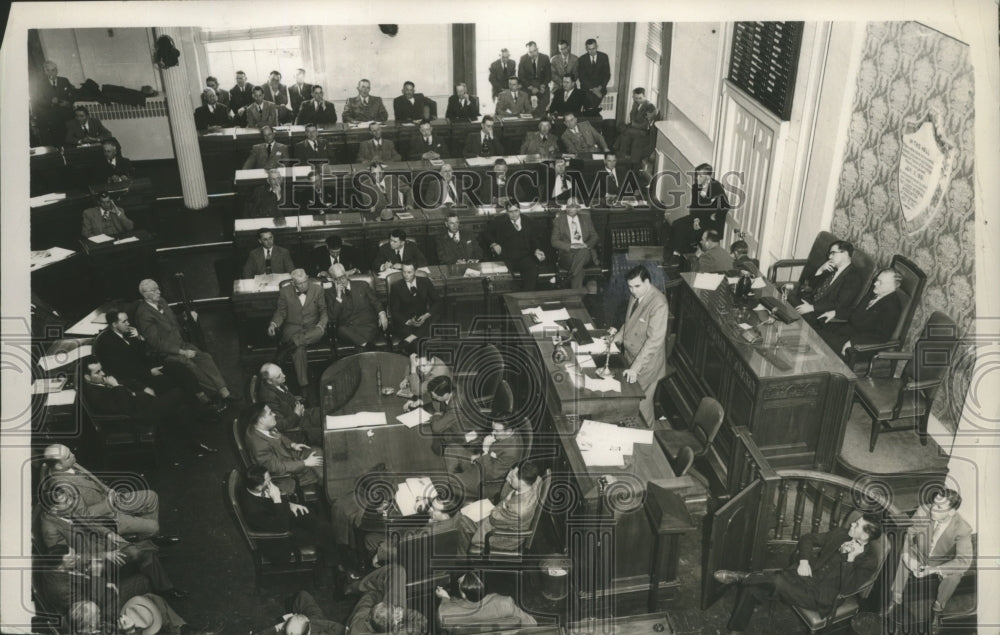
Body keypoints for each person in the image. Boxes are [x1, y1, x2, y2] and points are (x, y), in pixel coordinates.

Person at [714, 513, 884, 634]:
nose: (852, 524)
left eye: (857, 524)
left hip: (820, 596)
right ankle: (736, 629)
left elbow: (847, 588)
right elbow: (808, 538)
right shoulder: (841, 533)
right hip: (805, 576)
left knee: (776, 581)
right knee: (756, 586)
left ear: (865, 534)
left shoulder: (869, 561)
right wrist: (804, 561)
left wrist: (851, 559)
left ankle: (743, 577)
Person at [80, 355, 217, 455]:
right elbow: (126, 409)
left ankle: (194, 443)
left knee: (181, 408)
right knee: (178, 392)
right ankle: (204, 416)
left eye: (101, 369)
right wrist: (116, 386)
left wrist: (144, 387)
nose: (103, 374)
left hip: (146, 404)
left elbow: (129, 381)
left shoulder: (102, 379)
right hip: (140, 416)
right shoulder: (94, 395)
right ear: (87, 377)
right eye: (97, 372)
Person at [40, 444, 177, 544]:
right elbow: (83, 517)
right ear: (58, 466)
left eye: (70, 452)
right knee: (153, 527)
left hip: (108, 498)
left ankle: (146, 538)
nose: (74, 455)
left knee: (151, 497)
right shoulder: (62, 489)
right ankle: (147, 541)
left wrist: (107, 490)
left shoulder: (67, 464)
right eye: (69, 456)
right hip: (104, 516)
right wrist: (109, 503)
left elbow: (92, 478)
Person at [135, 279, 234, 403]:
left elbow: (173, 322)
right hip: (167, 353)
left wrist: (184, 316)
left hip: (182, 344)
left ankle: (224, 392)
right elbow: (156, 342)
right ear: (145, 294)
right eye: (154, 290)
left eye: (158, 288)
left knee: (205, 358)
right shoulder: (143, 314)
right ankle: (215, 394)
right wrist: (182, 352)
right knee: (191, 365)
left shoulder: (162, 302)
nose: (159, 292)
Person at [886, 488, 974, 629]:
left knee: (956, 575)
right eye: (934, 503)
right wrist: (908, 556)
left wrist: (933, 570)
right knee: (902, 556)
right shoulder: (923, 511)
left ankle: (938, 608)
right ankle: (895, 598)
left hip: (940, 561)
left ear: (951, 512)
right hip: (919, 553)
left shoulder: (963, 528)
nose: (933, 509)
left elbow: (964, 561)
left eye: (939, 507)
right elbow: (907, 535)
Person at [238, 465, 343, 577]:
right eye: (268, 481)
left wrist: (289, 504)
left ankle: (333, 556)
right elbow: (281, 528)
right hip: (279, 540)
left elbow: (269, 506)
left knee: (316, 520)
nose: (271, 483)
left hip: (280, 518)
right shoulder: (253, 511)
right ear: (259, 487)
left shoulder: (254, 488)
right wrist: (277, 499)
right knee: (323, 532)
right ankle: (335, 567)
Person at [608, 265, 669, 426]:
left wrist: (635, 368)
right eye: (630, 286)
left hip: (646, 365)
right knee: (631, 401)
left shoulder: (658, 304)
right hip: (630, 357)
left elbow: (654, 342)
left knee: (642, 405)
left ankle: (648, 438)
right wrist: (615, 339)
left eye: (636, 286)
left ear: (647, 282)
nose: (632, 290)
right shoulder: (637, 294)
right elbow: (629, 323)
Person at [39, 544, 150, 622]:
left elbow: (80, 559)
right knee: (142, 580)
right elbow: (93, 607)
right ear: (59, 567)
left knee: (129, 559)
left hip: (94, 586)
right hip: (104, 608)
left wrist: (104, 556)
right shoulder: (61, 589)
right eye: (72, 560)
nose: (77, 557)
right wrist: (98, 577)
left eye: (75, 553)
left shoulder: (52, 564)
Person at [458, 461, 542, 554]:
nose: (507, 477)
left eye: (511, 477)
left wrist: (504, 502)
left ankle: (465, 558)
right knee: (467, 513)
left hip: (503, 537)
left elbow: (493, 518)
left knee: (462, 522)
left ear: (522, 482)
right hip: (506, 520)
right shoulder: (535, 480)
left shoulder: (517, 509)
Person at [817, 269, 904, 357]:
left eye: (880, 282)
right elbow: (856, 312)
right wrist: (836, 313)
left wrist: (854, 342)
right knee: (817, 332)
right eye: (877, 280)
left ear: (893, 286)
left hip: (862, 346)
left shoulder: (893, 307)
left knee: (821, 343)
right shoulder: (874, 292)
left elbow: (881, 337)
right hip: (849, 331)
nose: (875, 283)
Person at [268, 269, 328, 392]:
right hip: (293, 329)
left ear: (307, 278)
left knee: (320, 331)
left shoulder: (318, 289)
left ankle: (289, 346)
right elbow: (281, 312)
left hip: (312, 330)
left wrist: (321, 324)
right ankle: (304, 386)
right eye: (299, 284)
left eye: (305, 282)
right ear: (293, 283)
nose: (303, 285)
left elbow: (323, 311)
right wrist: (273, 324)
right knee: (298, 350)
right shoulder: (285, 292)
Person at [244, 403, 324, 493]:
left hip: (289, 456)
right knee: (324, 472)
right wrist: (305, 463)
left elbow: (278, 435)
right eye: (270, 413)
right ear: (261, 420)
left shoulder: (261, 427)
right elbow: (277, 468)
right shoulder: (258, 445)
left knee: (318, 453)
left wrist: (292, 444)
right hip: (287, 474)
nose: (274, 414)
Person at [445, 419, 525, 502]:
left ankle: (458, 485)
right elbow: (492, 452)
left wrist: (485, 449)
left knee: (452, 480)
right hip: (481, 462)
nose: (493, 433)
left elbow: (492, 474)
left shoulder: (512, 452)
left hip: (486, 477)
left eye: (497, 431)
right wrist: (479, 455)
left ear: (508, 431)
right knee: (451, 448)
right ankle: (458, 481)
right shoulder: (506, 433)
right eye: (493, 429)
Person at [795, 240, 864, 325]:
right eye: (829, 254)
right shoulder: (831, 267)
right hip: (809, 301)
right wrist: (820, 270)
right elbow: (810, 285)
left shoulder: (853, 278)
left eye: (833, 253)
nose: (830, 257)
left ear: (845, 253)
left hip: (821, 313)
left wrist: (812, 308)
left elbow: (840, 304)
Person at [436, 572, 537, 628]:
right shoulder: (505, 603)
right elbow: (531, 623)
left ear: (463, 594)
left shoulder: (444, 613)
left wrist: (445, 598)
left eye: (460, 582)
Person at [346, 565, 427, 635]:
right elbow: (423, 623)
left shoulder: (358, 625)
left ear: (369, 618)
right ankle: (357, 586)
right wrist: (403, 612)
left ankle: (355, 586)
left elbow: (365, 605)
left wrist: (374, 594)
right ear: (396, 623)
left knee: (372, 594)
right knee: (397, 571)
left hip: (364, 617)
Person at [325, 263, 388, 349]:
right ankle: (367, 346)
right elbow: (332, 317)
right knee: (341, 330)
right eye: (337, 279)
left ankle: (364, 345)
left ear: (346, 275)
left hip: (367, 325)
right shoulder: (330, 293)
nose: (341, 281)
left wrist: (382, 313)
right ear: (333, 280)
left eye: (343, 277)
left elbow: (375, 301)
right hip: (349, 329)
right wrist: (338, 297)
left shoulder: (362, 285)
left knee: (359, 347)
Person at [484, 204, 546, 291]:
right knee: (506, 279)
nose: (514, 214)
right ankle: (513, 299)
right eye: (511, 212)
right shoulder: (499, 221)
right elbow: (486, 233)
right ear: (506, 212)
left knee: (532, 273)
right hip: (506, 258)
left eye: (516, 211)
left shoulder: (528, 221)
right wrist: (494, 244)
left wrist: (537, 250)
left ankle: (525, 298)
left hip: (525, 257)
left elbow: (534, 239)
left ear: (520, 210)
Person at [257, 362, 322, 443]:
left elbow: (291, 401)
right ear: (269, 381)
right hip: (297, 429)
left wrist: (298, 404)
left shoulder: (277, 383)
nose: (284, 375)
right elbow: (279, 425)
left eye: (282, 372)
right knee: (327, 431)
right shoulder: (269, 397)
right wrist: (296, 414)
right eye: (279, 376)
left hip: (303, 415)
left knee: (326, 411)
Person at [389, 262, 442, 344]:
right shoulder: (396, 286)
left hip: (423, 319)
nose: (405, 275)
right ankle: (414, 339)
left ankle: (411, 338)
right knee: (419, 340)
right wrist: (410, 322)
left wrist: (425, 316)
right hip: (406, 322)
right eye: (404, 272)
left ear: (415, 272)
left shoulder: (425, 282)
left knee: (436, 315)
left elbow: (437, 301)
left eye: (409, 272)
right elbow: (394, 311)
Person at [552, 198, 599, 288]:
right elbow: (554, 241)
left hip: (585, 253)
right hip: (568, 254)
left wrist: (586, 245)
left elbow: (595, 236)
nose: (570, 209)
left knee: (583, 251)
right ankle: (576, 297)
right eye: (568, 206)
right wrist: (571, 246)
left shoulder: (586, 218)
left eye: (573, 206)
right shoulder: (559, 221)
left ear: (578, 208)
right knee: (579, 271)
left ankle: (567, 279)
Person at [254, 591, 344, 635]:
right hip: (302, 604)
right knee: (300, 597)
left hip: (315, 618)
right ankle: (291, 602)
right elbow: (277, 627)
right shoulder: (292, 624)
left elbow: (339, 629)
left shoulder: (323, 629)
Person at [33, 60, 75, 146]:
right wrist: (50, 102)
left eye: (53, 70)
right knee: (58, 141)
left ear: (57, 70)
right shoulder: (40, 84)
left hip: (67, 116)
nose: (51, 73)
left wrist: (68, 103)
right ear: (45, 71)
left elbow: (73, 95)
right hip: (52, 118)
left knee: (70, 141)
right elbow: (38, 100)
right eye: (48, 70)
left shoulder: (64, 80)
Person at [614, 88, 658, 166]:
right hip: (635, 127)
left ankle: (619, 152)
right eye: (636, 98)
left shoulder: (650, 107)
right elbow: (632, 115)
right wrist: (633, 123)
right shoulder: (636, 104)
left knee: (626, 131)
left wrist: (633, 125)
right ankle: (621, 156)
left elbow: (645, 125)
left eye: (640, 98)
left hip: (643, 131)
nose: (638, 100)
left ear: (645, 96)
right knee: (623, 129)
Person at [577, 38, 611, 116]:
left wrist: (600, 87)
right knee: (590, 104)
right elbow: (582, 77)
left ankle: (591, 115)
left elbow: (607, 74)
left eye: (593, 48)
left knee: (591, 106)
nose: (591, 51)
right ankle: (593, 115)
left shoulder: (604, 57)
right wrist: (593, 89)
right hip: (587, 88)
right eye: (589, 49)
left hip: (600, 88)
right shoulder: (582, 59)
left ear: (597, 47)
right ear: (586, 48)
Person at [518, 41, 551, 109]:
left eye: (535, 51)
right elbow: (521, 76)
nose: (533, 54)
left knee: (543, 106)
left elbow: (549, 75)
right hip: (528, 87)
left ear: (537, 49)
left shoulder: (545, 58)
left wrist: (543, 85)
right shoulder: (523, 59)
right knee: (527, 106)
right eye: (530, 52)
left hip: (542, 86)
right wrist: (531, 87)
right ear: (527, 52)